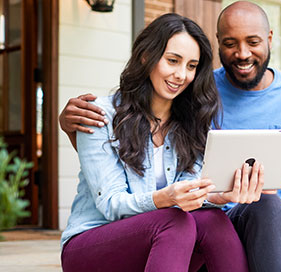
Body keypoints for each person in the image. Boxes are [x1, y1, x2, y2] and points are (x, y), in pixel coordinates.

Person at [60, 1, 281, 272]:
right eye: (230, 43)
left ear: (270, 40)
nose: (242, 53)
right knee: (253, 204)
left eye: (252, 42)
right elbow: (114, 182)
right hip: (217, 224)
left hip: (278, 227)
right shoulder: (197, 96)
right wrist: (69, 124)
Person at [60, 13, 259, 272]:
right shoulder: (99, 115)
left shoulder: (191, 123)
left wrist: (222, 196)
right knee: (175, 221)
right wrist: (163, 198)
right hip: (91, 244)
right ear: (147, 56)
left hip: (164, 239)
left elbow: (190, 191)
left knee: (212, 220)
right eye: (173, 61)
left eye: (191, 66)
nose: (181, 75)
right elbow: (111, 204)